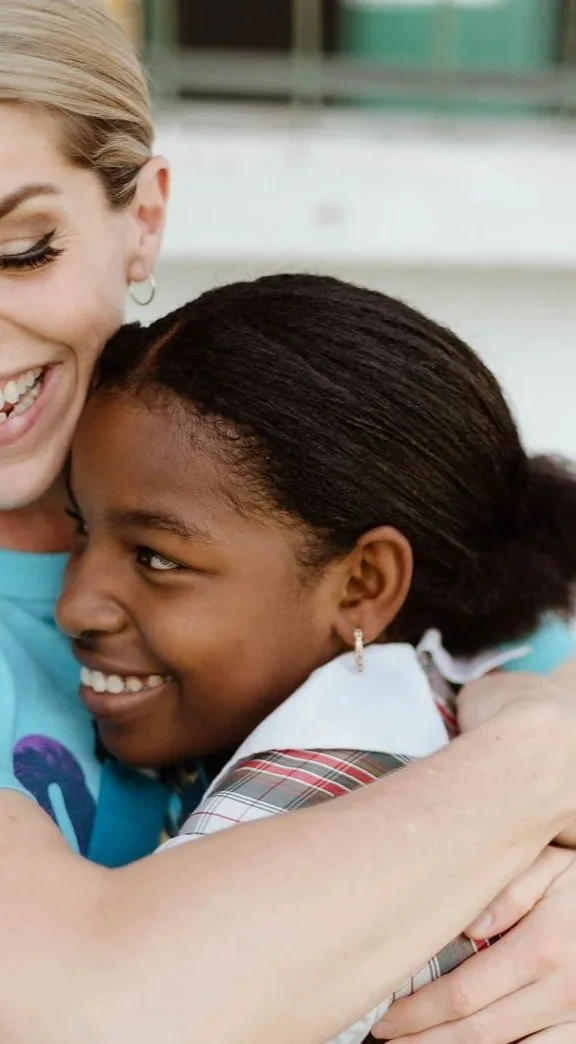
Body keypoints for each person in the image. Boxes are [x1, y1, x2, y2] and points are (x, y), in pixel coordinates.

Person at [0, 2, 576, 1042]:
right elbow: (80, 1014)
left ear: (143, 220)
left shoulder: (292, 461)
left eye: (21, 250)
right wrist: (535, 769)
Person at [58, 273, 576, 1042]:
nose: (74, 606)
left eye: (157, 558)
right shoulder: (469, 698)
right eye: (79, 528)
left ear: (363, 584)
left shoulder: (307, 798)